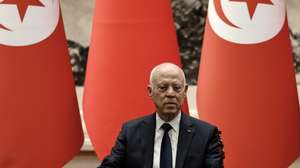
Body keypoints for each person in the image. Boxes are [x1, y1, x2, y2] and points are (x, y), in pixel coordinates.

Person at [98, 63, 224, 168]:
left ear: (185, 91)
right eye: (163, 88)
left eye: (177, 88)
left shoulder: (206, 134)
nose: (170, 94)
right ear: (150, 91)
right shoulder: (131, 131)